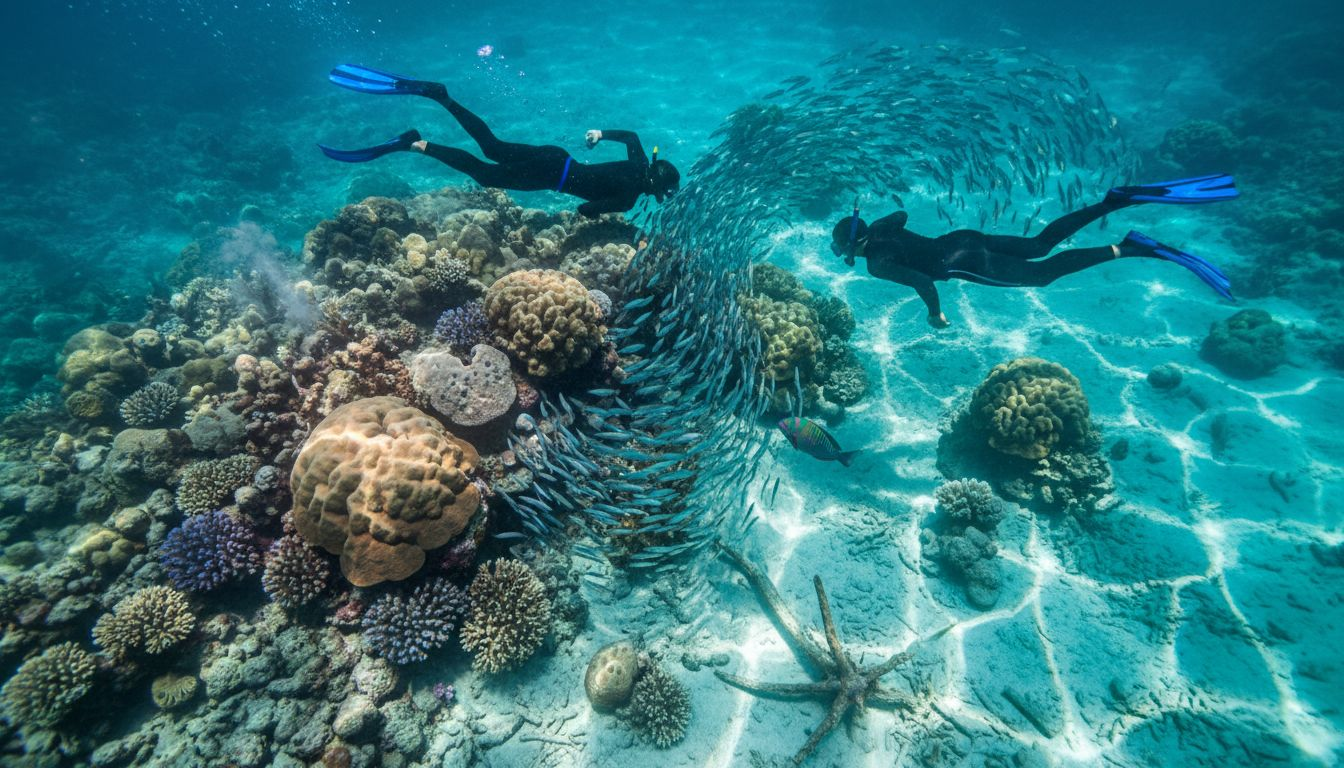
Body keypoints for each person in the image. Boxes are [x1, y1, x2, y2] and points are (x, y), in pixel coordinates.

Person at [829, 175, 1239, 327]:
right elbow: (899, 214)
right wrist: (872, 223)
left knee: (1043, 274)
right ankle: (1113, 201)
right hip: (962, 239)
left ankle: (1129, 248)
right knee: (1040, 243)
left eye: (840, 250)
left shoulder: (877, 265)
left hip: (959, 263)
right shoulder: (881, 226)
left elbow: (920, 279)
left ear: (850, 245)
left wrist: (934, 314)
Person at [319, 64, 680, 218]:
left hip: (557, 157)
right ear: (657, 189)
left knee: (491, 145)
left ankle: (442, 97)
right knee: (486, 174)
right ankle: (416, 143)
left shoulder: (637, 161)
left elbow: (631, 136)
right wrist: (602, 214)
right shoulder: (630, 199)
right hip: (551, 178)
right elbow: (584, 210)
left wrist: (600, 134)